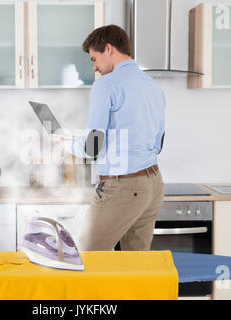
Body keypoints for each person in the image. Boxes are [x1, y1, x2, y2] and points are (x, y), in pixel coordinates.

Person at [62, 25, 166, 251]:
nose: (95, 67)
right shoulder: (153, 86)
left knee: (85, 258)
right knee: (135, 265)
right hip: (153, 183)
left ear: (108, 48)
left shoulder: (106, 85)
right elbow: (158, 143)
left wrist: (65, 143)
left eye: (94, 58)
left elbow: (92, 146)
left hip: (124, 187)